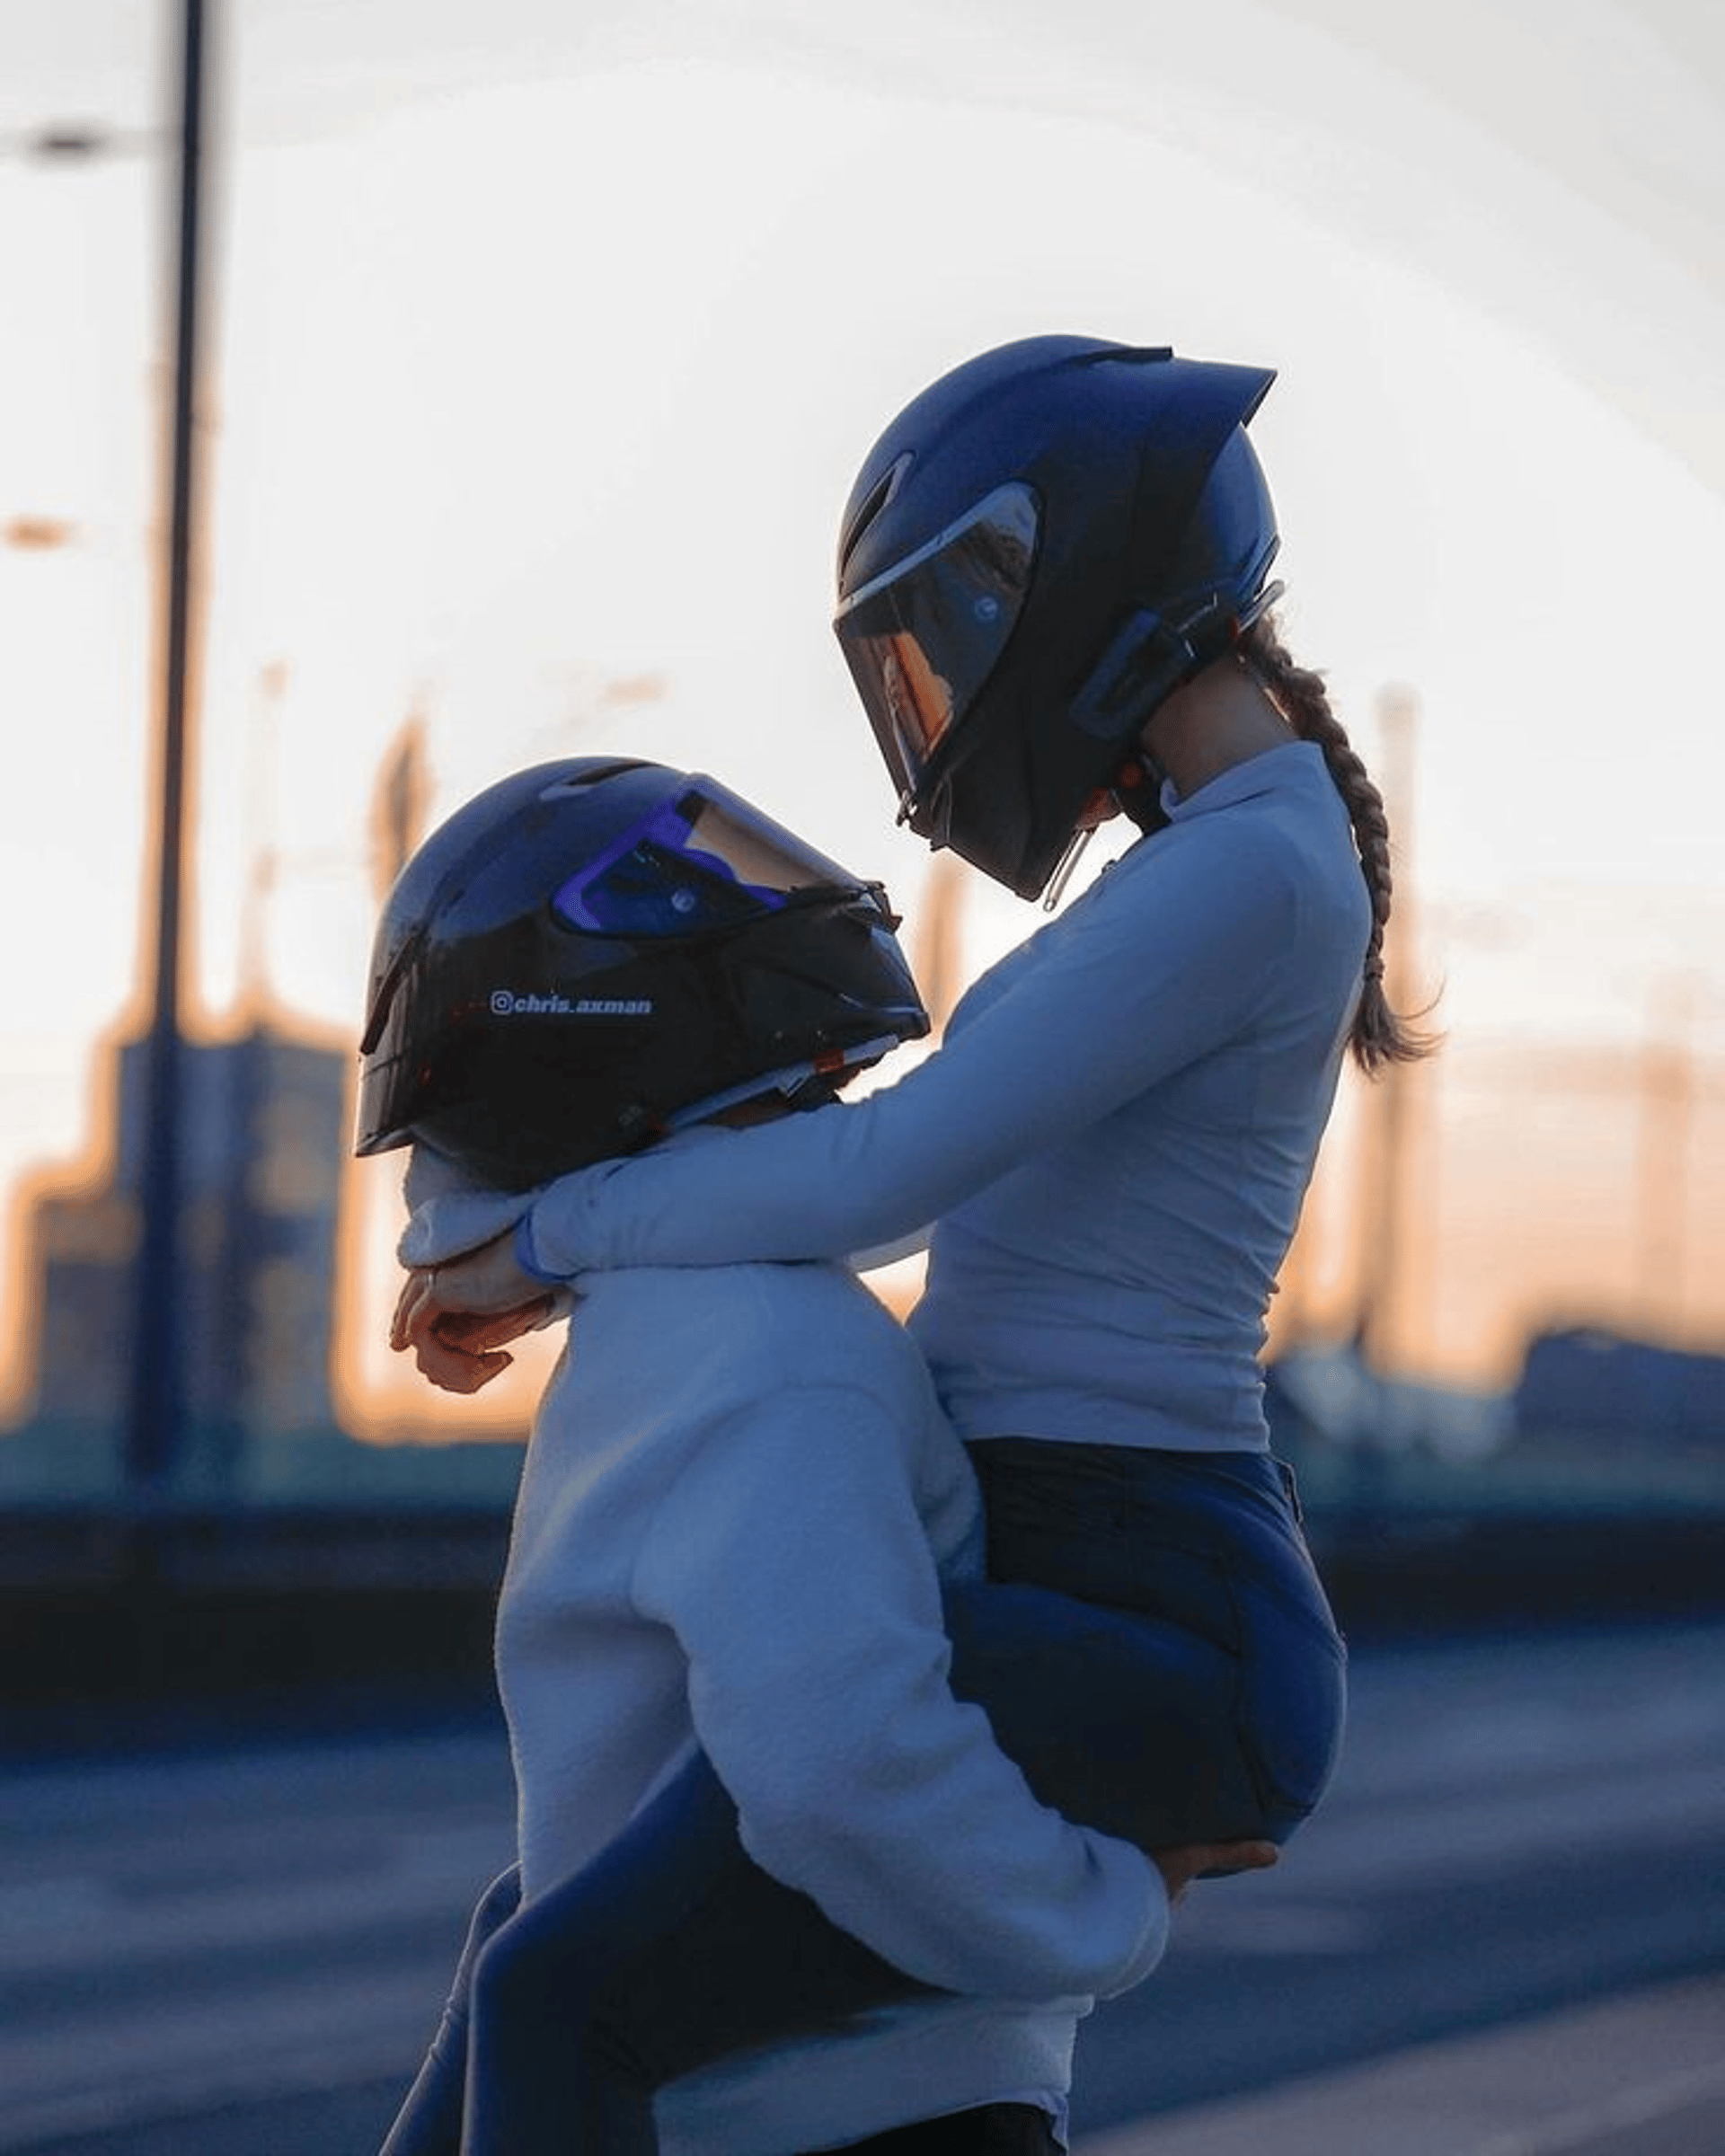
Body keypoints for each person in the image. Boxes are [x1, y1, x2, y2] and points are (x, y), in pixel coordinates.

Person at [394, 334, 1432, 2145]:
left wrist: (546, 1239)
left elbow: (882, 1177)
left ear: (1079, 568)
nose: (934, 704)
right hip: (1089, 1567)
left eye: (945, 632)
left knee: (565, 1992)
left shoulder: (1250, 873)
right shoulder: (1222, 862)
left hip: (1140, 1594)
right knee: (541, 1936)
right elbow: (898, 1192)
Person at [358, 755, 1275, 2156]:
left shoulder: (667, 1323)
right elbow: (838, 1762)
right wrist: (1110, 1913)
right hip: (864, 2119)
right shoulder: (773, 1349)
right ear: (631, 1017)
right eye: (713, 893)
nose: (785, 907)